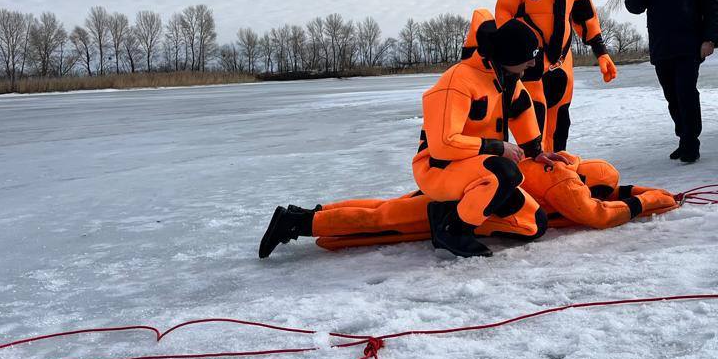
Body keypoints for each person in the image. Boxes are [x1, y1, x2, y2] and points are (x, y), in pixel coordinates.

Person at [260, 11, 567, 259]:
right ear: (509, 55)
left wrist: (536, 150)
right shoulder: (458, 81)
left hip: (479, 176)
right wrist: (496, 147)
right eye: (528, 57)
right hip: (440, 169)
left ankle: (447, 215)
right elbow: (444, 145)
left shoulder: (507, 79)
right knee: (389, 217)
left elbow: (522, 111)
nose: (531, 63)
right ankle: (452, 228)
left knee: (533, 225)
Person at [257, 152, 678, 256]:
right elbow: (598, 214)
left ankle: (315, 212)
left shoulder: (559, 163)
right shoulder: (568, 188)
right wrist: (654, 202)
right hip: (466, 207)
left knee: (388, 208)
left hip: (465, 186)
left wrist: (643, 192)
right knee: (387, 218)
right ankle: (299, 222)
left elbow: (610, 193)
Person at [496, 0, 617, 153]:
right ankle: (532, 167)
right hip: (530, 59)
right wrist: (514, 57)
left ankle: (558, 167)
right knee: (533, 115)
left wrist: (601, 52)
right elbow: (504, 14)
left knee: (561, 118)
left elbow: (585, 16)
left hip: (562, 60)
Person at [624, 0, 718, 163]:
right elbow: (633, 7)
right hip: (662, 49)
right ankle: (683, 138)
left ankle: (691, 143)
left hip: (689, 48)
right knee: (672, 98)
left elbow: (713, 9)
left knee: (686, 94)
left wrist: (709, 40)